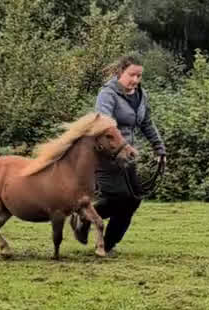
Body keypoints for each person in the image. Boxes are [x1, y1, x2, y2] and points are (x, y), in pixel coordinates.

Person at [71, 55, 166, 256]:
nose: (135, 80)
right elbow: (104, 125)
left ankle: (108, 243)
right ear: (121, 72)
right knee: (120, 198)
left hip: (128, 156)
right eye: (132, 75)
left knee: (134, 200)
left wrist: (159, 147)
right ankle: (84, 216)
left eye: (139, 75)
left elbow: (146, 122)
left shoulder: (141, 95)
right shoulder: (107, 94)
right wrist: (119, 147)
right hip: (107, 157)